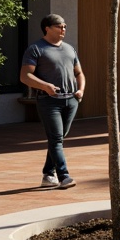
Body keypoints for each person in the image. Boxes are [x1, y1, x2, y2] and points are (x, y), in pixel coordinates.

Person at [20, 14, 85, 188]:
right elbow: (25, 76)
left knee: (58, 138)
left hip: (71, 100)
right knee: (56, 139)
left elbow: (79, 73)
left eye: (64, 26)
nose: (63, 29)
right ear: (47, 28)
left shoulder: (70, 49)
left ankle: (48, 174)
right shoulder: (36, 49)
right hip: (49, 101)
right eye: (59, 26)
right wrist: (45, 86)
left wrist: (80, 90)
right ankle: (64, 176)